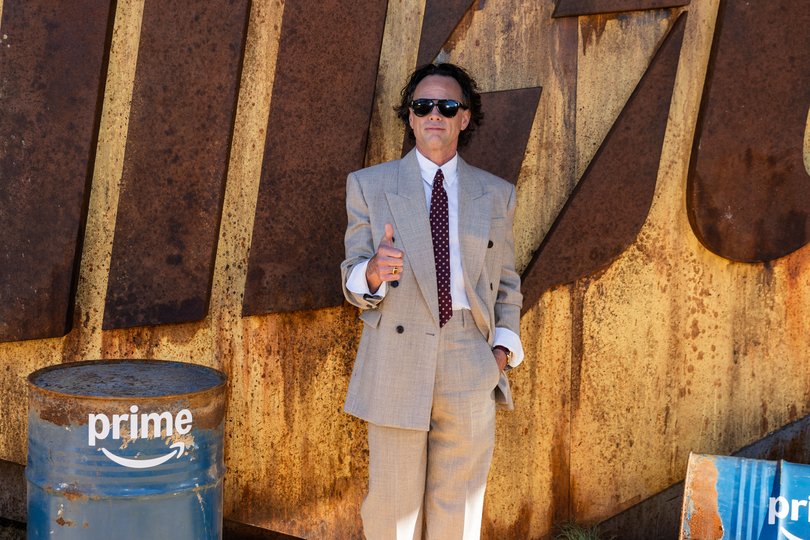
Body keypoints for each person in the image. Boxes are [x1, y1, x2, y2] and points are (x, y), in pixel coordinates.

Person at [340, 62, 524, 539]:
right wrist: (374, 272)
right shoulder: (369, 185)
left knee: (460, 504)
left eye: (447, 106)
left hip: (470, 354)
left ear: (464, 117)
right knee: (393, 507)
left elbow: (505, 280)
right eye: (423, 106)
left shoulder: (496, 194)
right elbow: (352, 277)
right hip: (398, 352)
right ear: (411, 117)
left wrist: (500, 353)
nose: (434, 114)